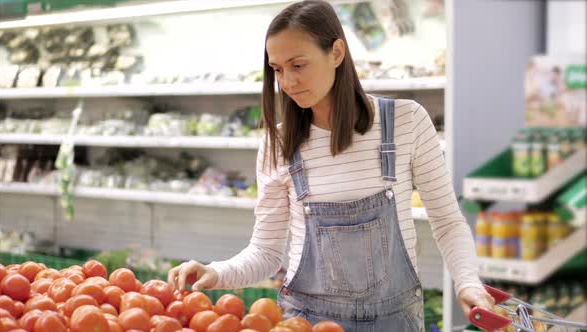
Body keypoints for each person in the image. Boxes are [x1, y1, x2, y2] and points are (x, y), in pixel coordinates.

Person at [168, 1, 494, 330]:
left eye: (298, 65)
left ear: (336, 53)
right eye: (278, 69)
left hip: (395, 321)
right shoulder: (278, 144)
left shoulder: (406, 122)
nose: (287, 82)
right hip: (305, 323)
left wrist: (467, 282)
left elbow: (448, 222)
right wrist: (216, 271)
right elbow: (267, 251)